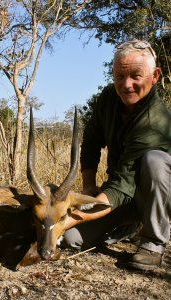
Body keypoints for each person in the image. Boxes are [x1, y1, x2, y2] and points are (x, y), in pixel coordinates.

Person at [62, 40, 171, 271]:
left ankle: (153, 243)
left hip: (149, 196)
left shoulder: (156, 120)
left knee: (155, 162)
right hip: (122, 194)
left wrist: (66, 219)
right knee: (71, 239)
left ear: (155, 75)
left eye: (135, 76)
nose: (126, 85)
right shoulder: (109, 97)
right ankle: (129, 226)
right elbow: (91, 142)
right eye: (119, 76)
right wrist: (89, 188)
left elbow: (123, 187)